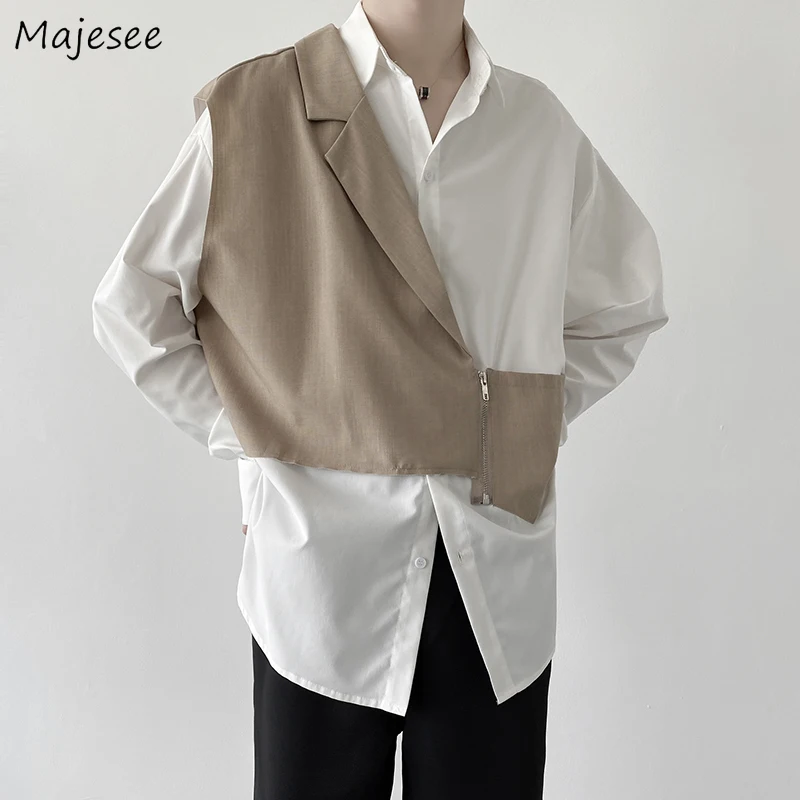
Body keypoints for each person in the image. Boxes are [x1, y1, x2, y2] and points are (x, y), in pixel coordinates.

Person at [91, 1, 669, 797]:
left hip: (492, 571)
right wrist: (256, 433)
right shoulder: (258, 108)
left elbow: (624, 305)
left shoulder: (535, 126)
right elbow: (133, 308)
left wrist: (512, 423)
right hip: (319, 570)